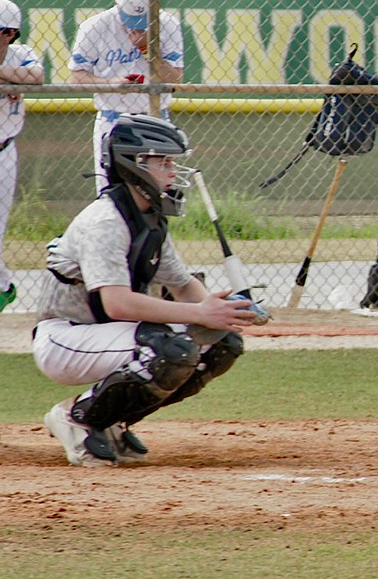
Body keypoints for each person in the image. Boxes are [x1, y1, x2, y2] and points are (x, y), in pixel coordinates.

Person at [33, 114, 258, 467]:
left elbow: (182, 286)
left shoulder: (148, 218)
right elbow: (117, 302)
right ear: (134, 165)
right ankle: (76, 418)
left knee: (221, 343)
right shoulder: (105, 221)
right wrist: (199, 313)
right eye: (163, 162)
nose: (172, 171)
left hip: (105, 335)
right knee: (169, 350)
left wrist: (228, 313)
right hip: (66, 337)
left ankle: (110, 423)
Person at [69, 0, 184, 194]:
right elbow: (77, 77)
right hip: (113, 119)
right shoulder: (95, 27)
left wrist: (148, 49)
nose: (137, 28)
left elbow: (174, 79)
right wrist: (111, 84)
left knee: (156, 193)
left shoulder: (168, 24)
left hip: (154, 118)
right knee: (111, 192)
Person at [0, 0, 45, 312]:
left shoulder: (22, 53)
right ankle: (3, 285)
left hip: (4, 151)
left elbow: (36, 77)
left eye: (3, 31)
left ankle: (3, 289)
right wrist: (9, 78)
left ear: (11, 33)